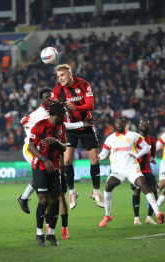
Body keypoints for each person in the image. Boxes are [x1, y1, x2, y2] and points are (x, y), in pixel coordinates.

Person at [17, 87, 94, 240]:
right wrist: (27, 126)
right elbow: (26, 125)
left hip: (47, 149)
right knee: (42, 172)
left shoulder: (54, 113)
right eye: (47, 97)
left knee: (47, 175)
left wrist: (81, 124)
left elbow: (64, 125)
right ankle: (24, 198)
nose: (50, 99)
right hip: (32, 148)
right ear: (41, 99)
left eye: (51, 97)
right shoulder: (37, 115)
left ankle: (25, 199)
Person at [98, 116, 165, 228]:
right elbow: (104, 153)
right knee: (108, 185)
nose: (119, 124)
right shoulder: (110, 138)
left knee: (143, 185)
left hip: (132, 168)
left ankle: (158, 213)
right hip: (118, 170)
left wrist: (137, 155)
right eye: (118, 122)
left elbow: (146, 147)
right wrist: (98, 156)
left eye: (122, 122)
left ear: (125, 125)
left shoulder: (133, 135)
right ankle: (107, 215)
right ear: (115, 124)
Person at [51, 64, 102, 209]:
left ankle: (96, 192)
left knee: (95, 159)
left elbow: (90, 104)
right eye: (58, 76)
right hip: (70, 128)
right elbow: (52, 107)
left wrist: (76, 107)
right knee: (66, 160)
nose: (60, 78)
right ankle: (72, 192)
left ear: (70, 74)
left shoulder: (84, 84)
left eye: (63, 75)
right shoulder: (57, 89)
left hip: (86, 125)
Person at [28, 101, 67, 247]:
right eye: (64, 113)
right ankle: (39, 234)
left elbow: (64, 147)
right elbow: (31, 146)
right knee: (43, 200)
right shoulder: (40, 125)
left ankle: (50, 233)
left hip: (55, 167)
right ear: (58, 114)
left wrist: (56, 142)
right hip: (40, 167)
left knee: (55, 200)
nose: (65, 116)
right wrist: (45, 159)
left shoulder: (62, 127)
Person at [130, 119, 160, 225]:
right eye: (142, 124)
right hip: (136, 170)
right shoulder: (134, 138)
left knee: (154, 191)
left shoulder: (152, 140)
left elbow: (153, 154)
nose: (144, 125)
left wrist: (153, 159)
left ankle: (149, 217)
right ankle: (136, 218)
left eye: (146, 124)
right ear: (139, 126)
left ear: (149, 127)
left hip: (147, 169)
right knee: (137, 191)